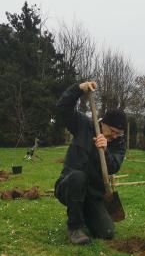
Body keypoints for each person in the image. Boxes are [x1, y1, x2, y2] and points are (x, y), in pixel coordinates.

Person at [54, 81, 127, 245]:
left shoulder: (118, 142)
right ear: (102, 123)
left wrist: (106, 149)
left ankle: (85, 213)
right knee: (79, 177)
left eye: (119, 133)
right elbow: (62, 108)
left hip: (94, 194)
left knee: (106, 232)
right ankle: (75, 228)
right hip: (69, 184)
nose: (115, 136)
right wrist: (78, 89)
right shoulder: (83, 125)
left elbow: (114, 167)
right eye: (113, 131)